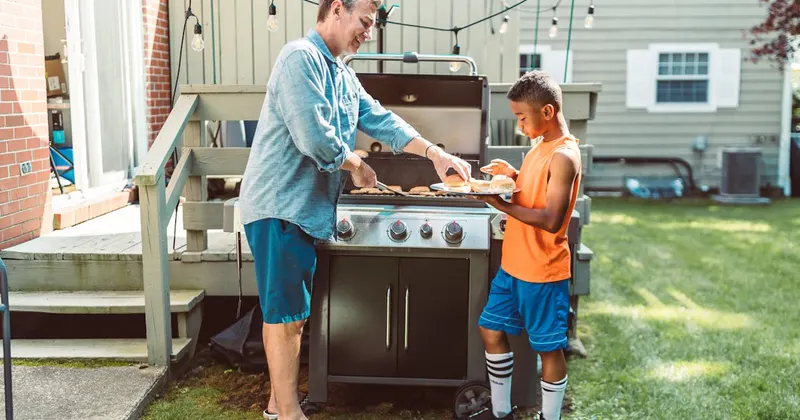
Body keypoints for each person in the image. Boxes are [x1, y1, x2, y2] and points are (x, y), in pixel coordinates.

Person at [237, 1, 472, 419]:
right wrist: (357, 164)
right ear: (337, 9)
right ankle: (288, 414)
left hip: (303, 209)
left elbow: (379, 118)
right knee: (286, 315)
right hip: (280, 204)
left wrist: (434, 154)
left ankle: (278, 405)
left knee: (294, 313)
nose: (369, 31)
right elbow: (315, 138)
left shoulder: (343, 73)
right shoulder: (300, 59)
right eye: (365, 21)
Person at [473, 70, 582, 420]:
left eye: (522, 117)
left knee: (548, 349)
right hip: (514, 265)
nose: (519, 124)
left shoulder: (564, 156)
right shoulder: (539, 148)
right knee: (490, 328)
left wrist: (503, 205)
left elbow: (551, 218)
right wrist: (514, 174)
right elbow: (535, 190)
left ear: (547, 112)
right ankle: (501, 411)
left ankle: (549, 417)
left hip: (543, 271)